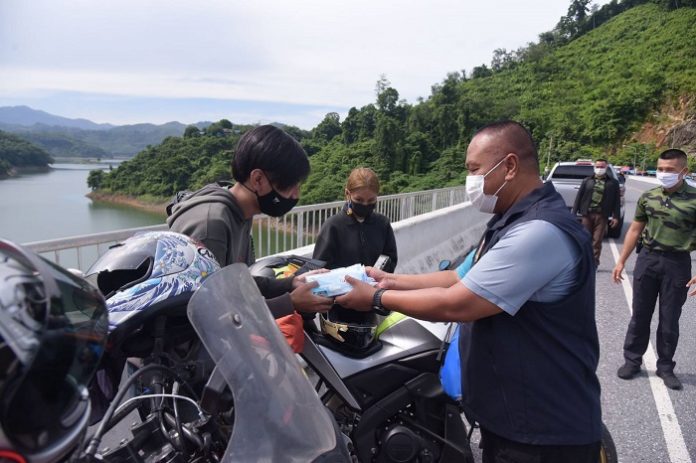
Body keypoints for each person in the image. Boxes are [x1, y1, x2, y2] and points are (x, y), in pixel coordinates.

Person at [336, 120, 602, 462]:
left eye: (475, 170)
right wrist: (388, 280)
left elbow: (457, 303)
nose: (470, 180)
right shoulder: (510, 221)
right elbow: (457, 277)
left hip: (543, 430)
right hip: (514, 417)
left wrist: (374, 298)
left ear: (509, 166)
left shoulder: (539, 232)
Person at [167, 124, 333, 319]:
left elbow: (237, 282)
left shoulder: (240, 213)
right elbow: (208, 312)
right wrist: (290, 303)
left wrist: (292, 283)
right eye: (290, 185)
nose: (296, 195)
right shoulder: (211, 225)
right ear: (258, 179)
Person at [613, 148, 696, 390]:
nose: (663, 173)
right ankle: (632, 360)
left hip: (677, 263)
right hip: (648, 259)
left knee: (670, 319)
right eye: (660, 169)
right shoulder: (648, 197)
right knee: (640, 315)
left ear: (684, 172)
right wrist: (621, 261)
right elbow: (635, 229)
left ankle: (665, 367)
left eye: (669, 170)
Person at [313, 167, 397, 272]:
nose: (365, 204)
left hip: (376, 282)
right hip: (343, 282)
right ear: (348, 194)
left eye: (371, 200)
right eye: (359, 200)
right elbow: (319, 267)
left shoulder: (383, 224)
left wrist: (377, 274)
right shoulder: (332, 226)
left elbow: (390, 258)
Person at [572, 158, 621, 267]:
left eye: (602, 167)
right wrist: (574, 213)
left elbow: (616, 201)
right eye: (597, 166)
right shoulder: (587, 181)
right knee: (585, 238)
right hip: (587, 215)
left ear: (606, 167)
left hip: (602, 216)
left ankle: (594, 263)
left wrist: (616, 216)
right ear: (594, 167)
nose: (599, 169)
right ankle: (583, 261)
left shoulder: (613, 183)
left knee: (597, 240)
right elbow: (579, 197)